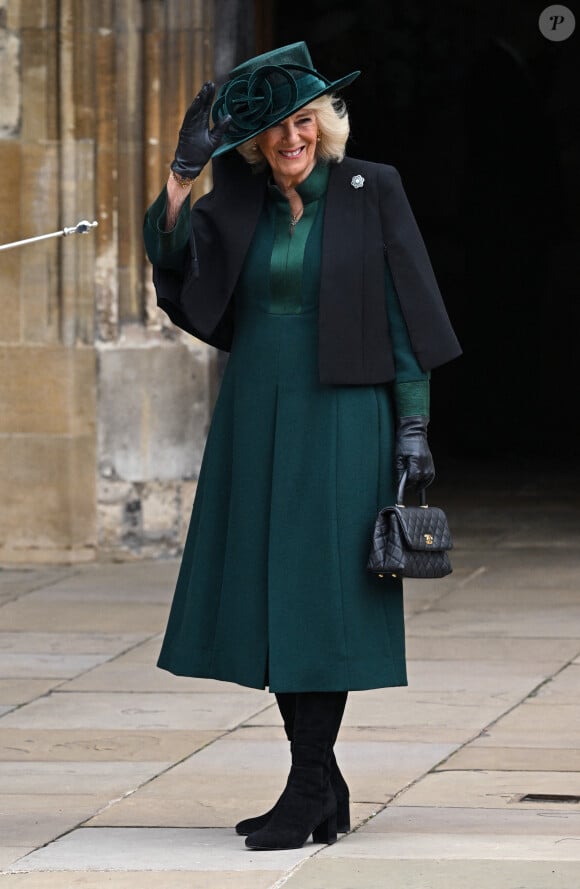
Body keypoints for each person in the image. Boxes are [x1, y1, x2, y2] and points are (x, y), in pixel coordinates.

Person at [143, 41, 461, 852]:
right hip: (257, 414)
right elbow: (173, 263)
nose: (295, 137)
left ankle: (308, 783)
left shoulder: (371, 189)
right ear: (256, 143)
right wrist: (183, 177)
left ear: (327, 124)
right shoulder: (237, 200)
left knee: (322, 597)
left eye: (306, 120)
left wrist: (415, 425)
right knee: (273, 594)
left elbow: (407, 315)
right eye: (279, 127)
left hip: (345, 417)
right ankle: (319, 781)